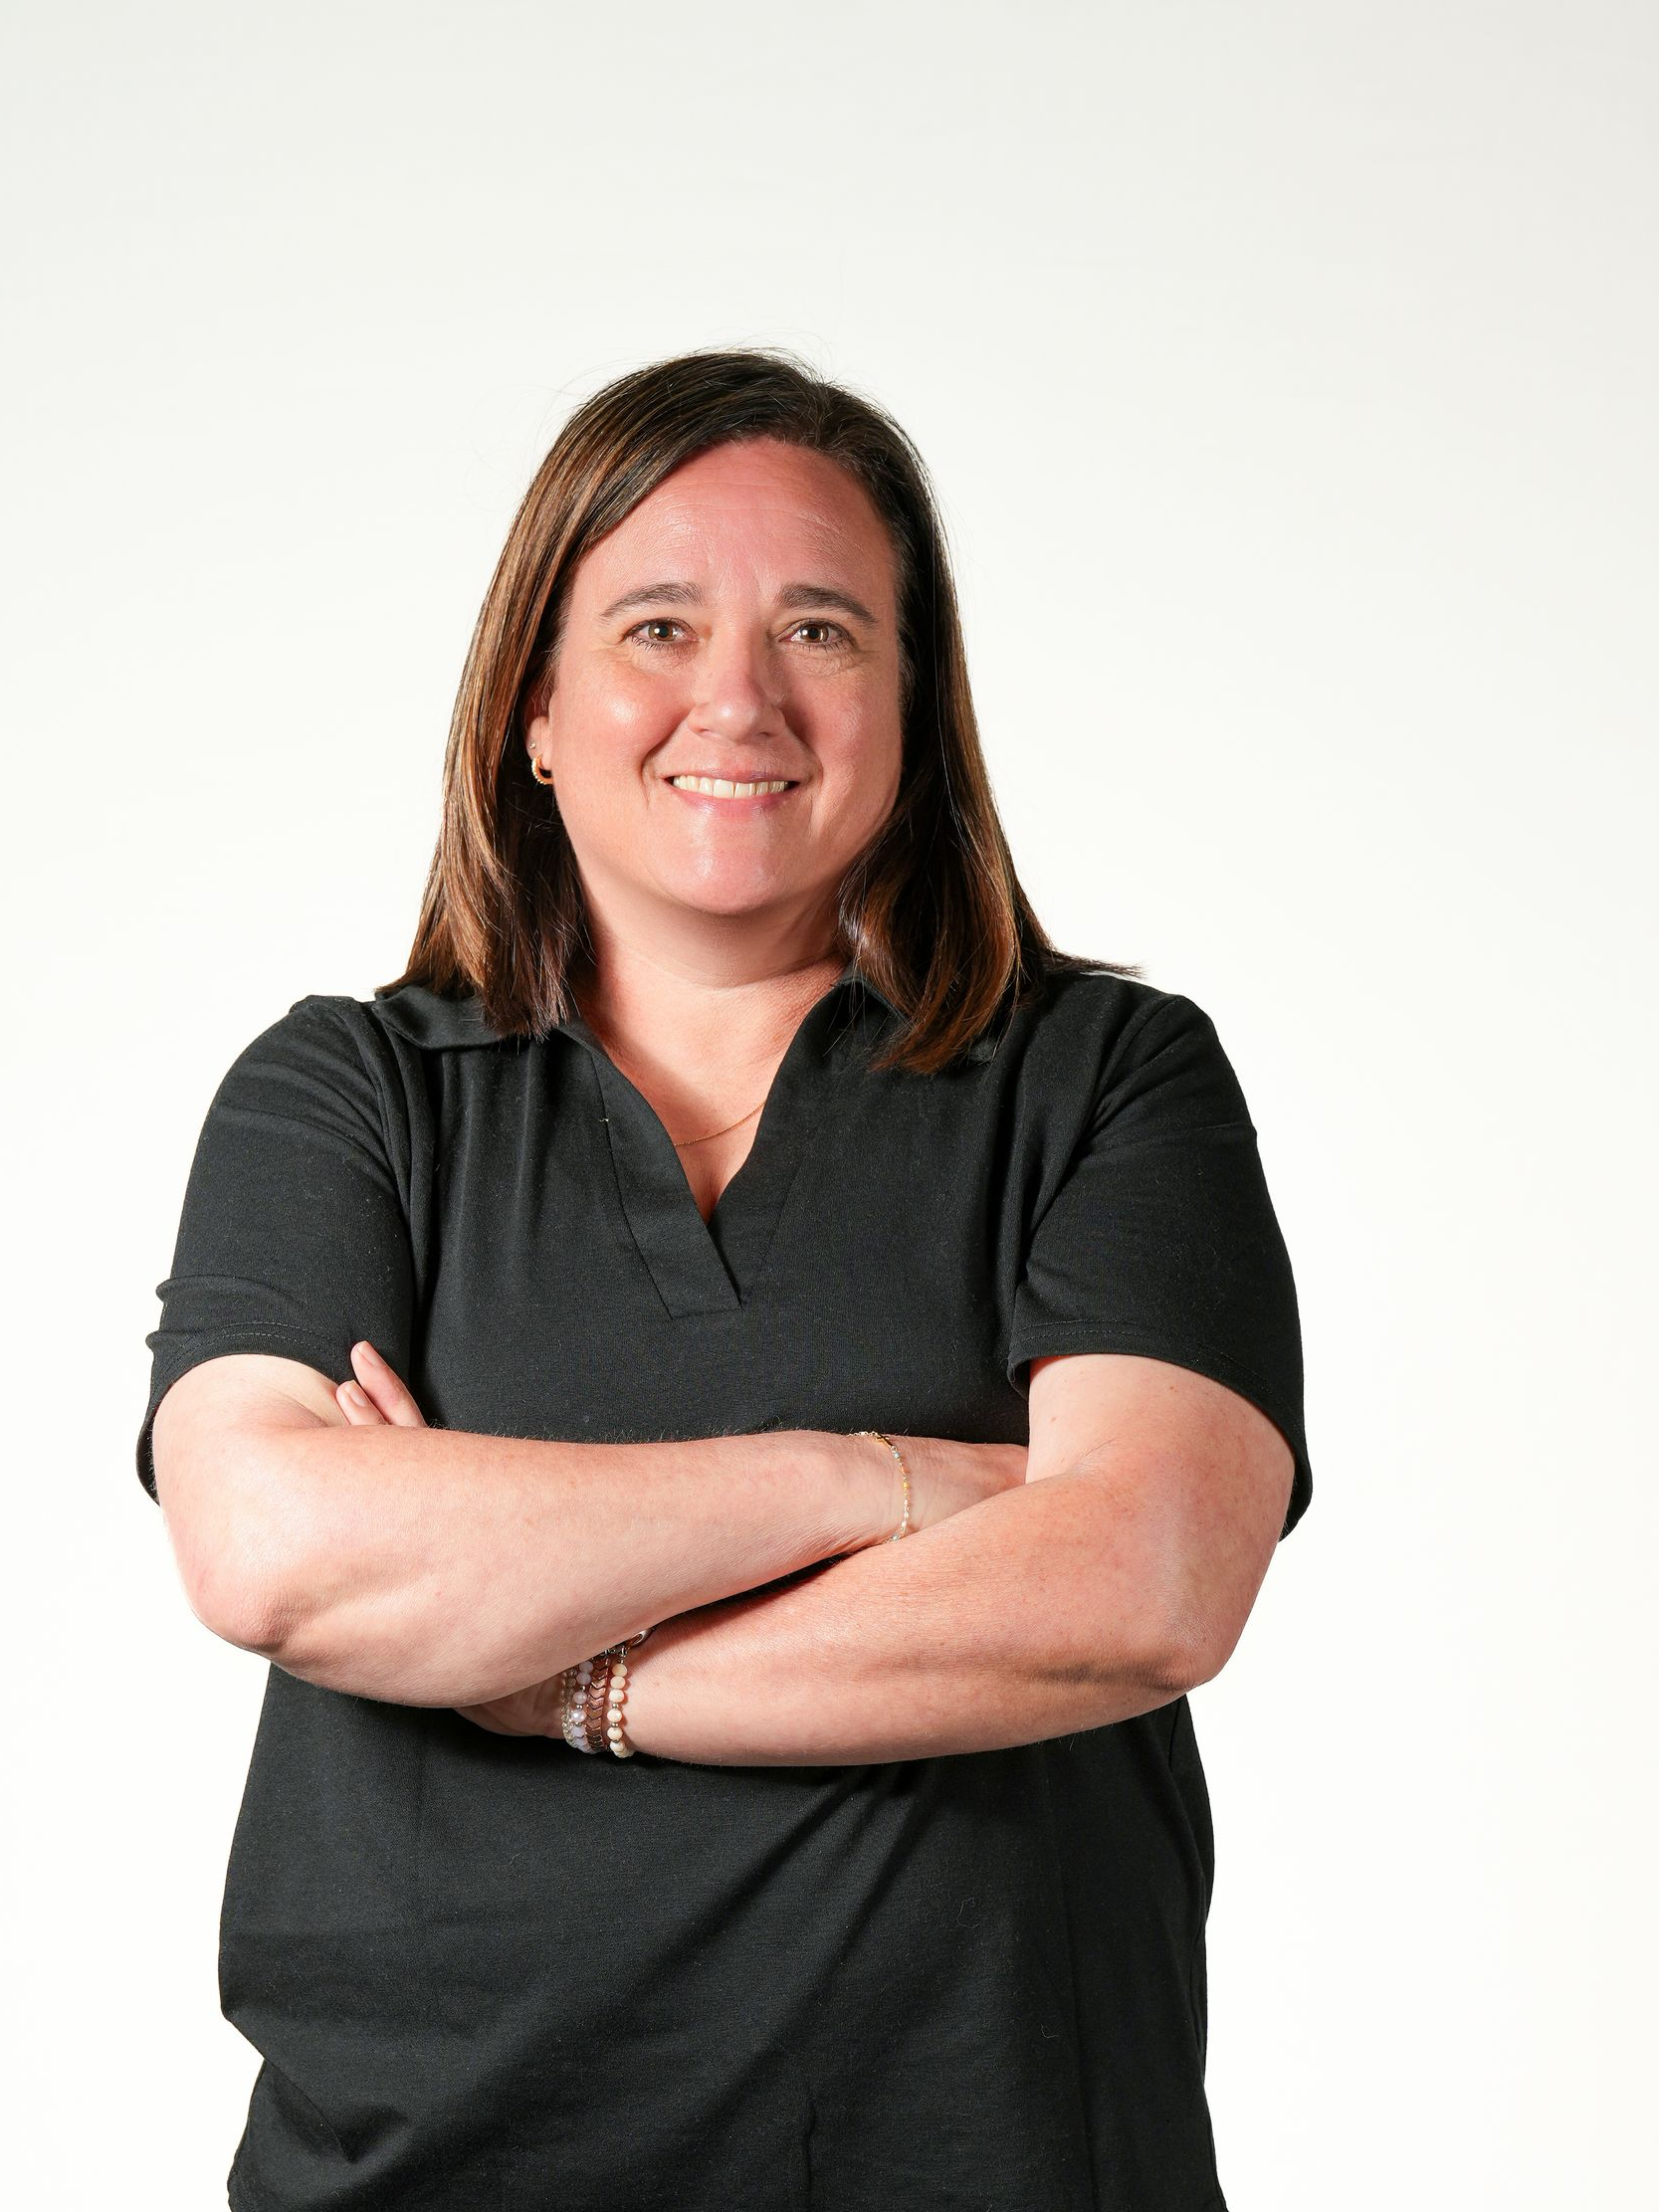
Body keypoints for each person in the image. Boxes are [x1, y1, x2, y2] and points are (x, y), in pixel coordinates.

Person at [135, 346, 1313, 2212]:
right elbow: (279, 1545)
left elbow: (1141, 1581)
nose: (739, 697)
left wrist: (567, 1671)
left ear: (915, 707)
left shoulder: (1109, 1081)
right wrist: (882, 1478)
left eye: (825, 631)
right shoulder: (348, 1098)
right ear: (534, 703)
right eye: (659, 624)